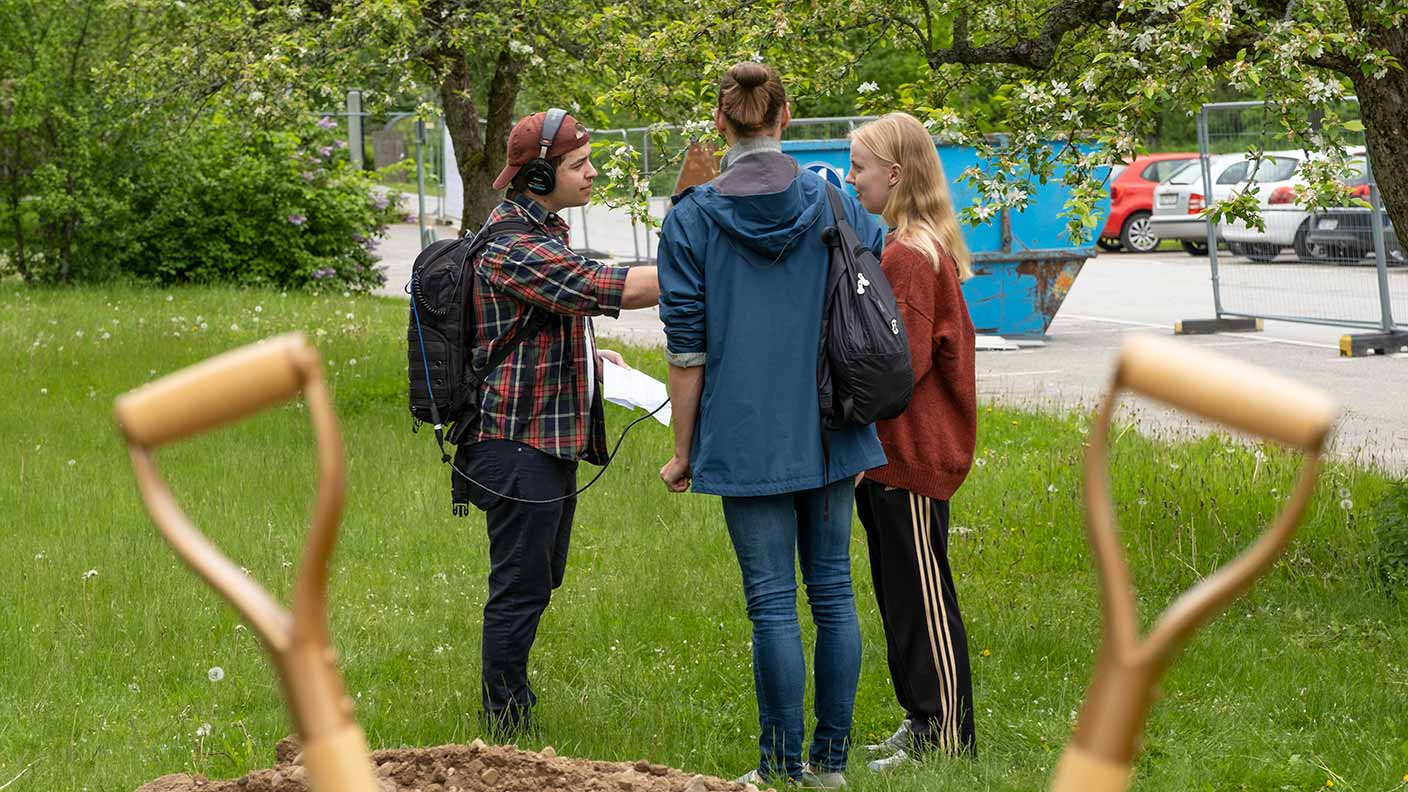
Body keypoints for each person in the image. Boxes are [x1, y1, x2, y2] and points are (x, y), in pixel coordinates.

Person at [656, 62, 887, 789]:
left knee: (773, 609)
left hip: (747, 433)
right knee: (834, 594)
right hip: (832, 424)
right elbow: (874, 264)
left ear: (721, 124)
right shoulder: (832, 200)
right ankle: (830, 767)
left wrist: (682, 450)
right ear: (784, 115)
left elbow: (686, 351)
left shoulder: (690, 218)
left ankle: (779, 767)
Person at [456, 108, 660, 738]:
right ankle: (505, 724)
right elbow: (607, 287)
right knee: (519, 585)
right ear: (539, 176)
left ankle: (511, 704)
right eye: (579, 164)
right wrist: (709, 266)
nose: (592, 173)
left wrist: (589, 354)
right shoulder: (514, 245)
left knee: (540, 576)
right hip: (514, 441)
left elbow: (534, 320)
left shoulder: (541, 234)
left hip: (543, 437)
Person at [844, 112, 978, 767]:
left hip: (912, 456)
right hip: (889, 458)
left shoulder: (909, 254)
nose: (851, 178)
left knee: (922, 599)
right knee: (901, 595)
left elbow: (898, 365)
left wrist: (842, 403)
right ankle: (920, 717)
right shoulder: (904, 245)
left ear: (894, 174)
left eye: (859, 167)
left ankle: (947, 733)